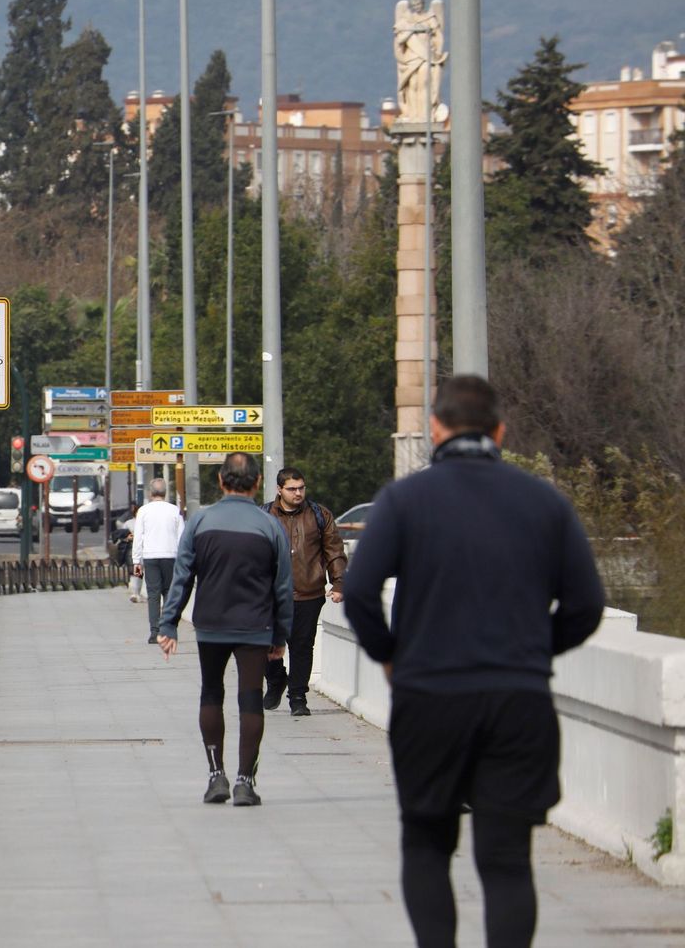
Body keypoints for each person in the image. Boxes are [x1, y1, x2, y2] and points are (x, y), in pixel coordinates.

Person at [344, 375, 605, 948]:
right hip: (519, 699)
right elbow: (587, 605)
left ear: (435, 429)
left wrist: (392, 656)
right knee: (508, 858)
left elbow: (359, 591)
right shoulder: (545, 502)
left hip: (429, 697)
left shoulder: (404, 500)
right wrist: (533, 650)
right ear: (500, 432)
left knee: (427, 842)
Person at [156, 454, 292, 807]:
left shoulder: (200, 521)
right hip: (255, 625)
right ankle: (245, 782)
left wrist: (168, 623)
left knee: (211, 693)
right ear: (258, 482)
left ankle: (216, 776)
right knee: (250, 699)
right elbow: (282, 587)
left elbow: (182, 578)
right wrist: (281, 635)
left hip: (211, 623)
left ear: (220, 481)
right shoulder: (270, 526)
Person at [262, 468, 347, 716]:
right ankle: (276, 678)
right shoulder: (264, 515)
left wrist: (339, 583)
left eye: (301, 488)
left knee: (301, 646)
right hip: (271, 594)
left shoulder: (320, 515)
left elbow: (334, 550)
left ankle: (298, 697)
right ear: (279, 490)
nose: (298, 493)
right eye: (292, 489)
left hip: (308, 592)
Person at [131, 478, 183, 628]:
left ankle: (154, 631)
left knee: (153, 594)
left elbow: (138, 537)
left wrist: (136, 562)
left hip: (150, 557)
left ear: (150, 492)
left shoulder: (143, 511)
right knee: (169, 593)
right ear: (165, 493)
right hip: (171, 556)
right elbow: (182, 537)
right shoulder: (174, 510)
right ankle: (167, 628)